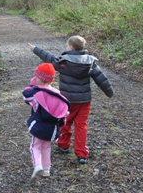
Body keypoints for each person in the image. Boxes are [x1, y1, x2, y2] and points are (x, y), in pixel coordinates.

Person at [29, 35, 114, 165]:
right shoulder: (90, 62)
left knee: (65, 121)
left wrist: (36, 49)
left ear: (72, 47)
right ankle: (81, 154)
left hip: (67, 100)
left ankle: (63, 144)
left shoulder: (64, 62)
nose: (66, 47)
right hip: (84, 101)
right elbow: (101, 78)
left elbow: (49, 58)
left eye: (67, 45)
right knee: (81, 125)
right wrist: (109, 93)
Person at [22, 63, 70, 181]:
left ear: (38, 78)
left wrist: (33, 84)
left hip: (39, 126)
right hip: (52, 127)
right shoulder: (58, 95)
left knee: (35, 146)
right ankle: (46, 169)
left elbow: (26, 97)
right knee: (46, 146)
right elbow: (65, 113)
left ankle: (37, 166)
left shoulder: (37, 93)